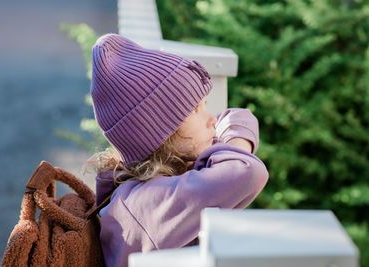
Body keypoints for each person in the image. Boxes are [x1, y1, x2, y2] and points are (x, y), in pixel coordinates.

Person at [87, 33, 269, 267]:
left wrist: (224, 146)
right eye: (195, 110)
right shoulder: (148, 203)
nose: (211, 118)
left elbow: (238, 116)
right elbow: (246, 172)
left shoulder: (159, 180)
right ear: (160, 134)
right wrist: (231, 145)